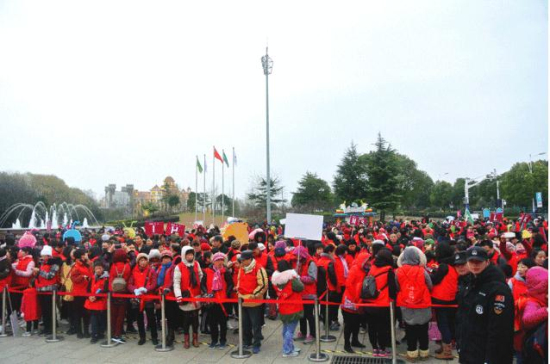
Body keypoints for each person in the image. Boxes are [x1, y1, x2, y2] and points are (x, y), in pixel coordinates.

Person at [457, 246, 513, 364]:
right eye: (472, 261)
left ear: (487, 262)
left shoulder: (498, 288)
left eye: (479, 261)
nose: (475, 265)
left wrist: (491, 359)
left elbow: (499, 330)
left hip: (485, 354)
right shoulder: (470, 282)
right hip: (469, 350)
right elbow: (463, 319)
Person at [395, 246, 432, 361]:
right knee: (423, 329)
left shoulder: (398, 271)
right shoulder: (422, 270)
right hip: (422, 304)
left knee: (410, 329)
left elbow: (397, 287)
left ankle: (412, 353)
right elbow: (430, 285)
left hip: (406, 303)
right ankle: (424, 352)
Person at [363, 248, 396, 358]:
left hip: (369, 303)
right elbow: (392, 289)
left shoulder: (372, 267)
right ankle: (382, 349)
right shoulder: (389, 270)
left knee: (372, 327)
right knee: (382, 327)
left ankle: (374, 348)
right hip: (382, 304)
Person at [236, 250, 268, 354]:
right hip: (243, 299)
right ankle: (247, 341)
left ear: (249, 259)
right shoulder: (242, 268)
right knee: (245, 323)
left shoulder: (259, 268)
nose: (242, 262)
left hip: (254, 300)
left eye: (244, 260)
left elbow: (263, 284)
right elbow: (239, 280)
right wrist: (238, 289)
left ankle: (257, 343)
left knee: (255, 324)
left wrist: (254, 295)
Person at [429, 242, 458, 360]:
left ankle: (447, 352)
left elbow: (435, 280)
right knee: (448, 324)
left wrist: (430, 274)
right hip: (451, 298)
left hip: (441, 298)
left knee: (443, 325)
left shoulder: (443, 266)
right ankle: (446, 347)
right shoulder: (452, 264)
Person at [271, 259, 304, 358]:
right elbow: (301, 287)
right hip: (293, 308)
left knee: (286, 329)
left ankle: (290, 347)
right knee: (290, 331)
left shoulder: (276, 280)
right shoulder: (292, 279)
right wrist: (297, 278)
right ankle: (287, 350)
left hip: (283, 307)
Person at [201, 252, 233, 349]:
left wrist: (226, 295)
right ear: (213, 261)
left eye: (222, 260)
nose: (220, 262)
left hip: (223, 301)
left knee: (223, 322)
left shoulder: (225, 272)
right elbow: (202, 284)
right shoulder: (207, 271)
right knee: (212, 322)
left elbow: (231, 284)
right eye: (218, 260)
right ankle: (214, 340)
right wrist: (206, 293)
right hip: (211, 300)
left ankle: (223, 340)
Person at [174, 246, 203, 349]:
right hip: (185, 295)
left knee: (195, 319)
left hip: (196, 294)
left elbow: (200, 276)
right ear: (184, 255)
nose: (190, 256)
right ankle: (186, 339)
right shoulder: (179, 266)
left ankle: (195, 338)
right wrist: (178, 295)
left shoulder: (196, 264)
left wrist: (202, 288)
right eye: (188, 254)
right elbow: (176, 282)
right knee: (186, 320)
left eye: (191, 254)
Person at [128, 252, 158, 345]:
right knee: (139, 318)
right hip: (137, 298)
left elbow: (154, 283)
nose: (143, 262)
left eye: (145, 259)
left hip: (148, 297)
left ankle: (154, 337)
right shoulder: (134, 271)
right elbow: (129, 284)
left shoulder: (151, 271)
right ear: (138, 261)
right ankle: (142, 337)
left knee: (151, 318)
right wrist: (135, 290)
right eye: (141, 260)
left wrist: (146, 289)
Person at [520, 266, 548, 364]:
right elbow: (527, 320)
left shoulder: (542, 300)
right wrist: (547, 311)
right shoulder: (532, 302)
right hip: (534, 349)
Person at [292, 245, 317, 344]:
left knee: (309, 315)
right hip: (300, 293)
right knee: (301, 315)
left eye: (298, 256)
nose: (297, 258)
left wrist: (300, 277)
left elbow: (312, 278)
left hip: (309, 294)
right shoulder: (299, 263)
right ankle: (303, 332)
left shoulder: (311, 263)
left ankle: (312, 334)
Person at [34, 245, 61, 336]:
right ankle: (47, 326)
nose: (42, 257)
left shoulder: (55, 264)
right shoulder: (43, 263)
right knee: (44, 310)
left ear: (48, 256)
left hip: (49, 289)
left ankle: (50, 327)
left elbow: (50, 276)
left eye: (44, 255)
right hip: (41, 289)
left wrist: (39, 272)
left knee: (50, 310)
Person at [108, 248, 132, 344]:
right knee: (121, 315)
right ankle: (118, 334)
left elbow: (110, 279)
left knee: (113, 314)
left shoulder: (113, 266)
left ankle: (112, 332)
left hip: (114, 293)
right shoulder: (127, 266)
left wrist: (111, 290)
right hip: (123, 293)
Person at [84, 260, 109, 343]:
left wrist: (95, 297)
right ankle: (94, 335)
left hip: (101, 302)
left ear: (103, 269)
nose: (98, 270)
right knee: (93, 319)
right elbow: (88, 289)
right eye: (96, 268)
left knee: (101, 318)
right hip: (92, 301)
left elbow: (105, 290)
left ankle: (100, 333)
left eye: (100, 268)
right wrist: (89, 296)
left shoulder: (106, 278)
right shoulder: (92, 277)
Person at [70, 248, 92, 339]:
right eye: (84, 254)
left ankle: (86, 331)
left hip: (86, 291)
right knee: (78, 313)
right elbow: (74, 279)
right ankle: (79, 331)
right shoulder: (75, 266)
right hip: (79, 293)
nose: (86, 255)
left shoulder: (87, 265)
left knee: (86, 313)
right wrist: (83, 277)